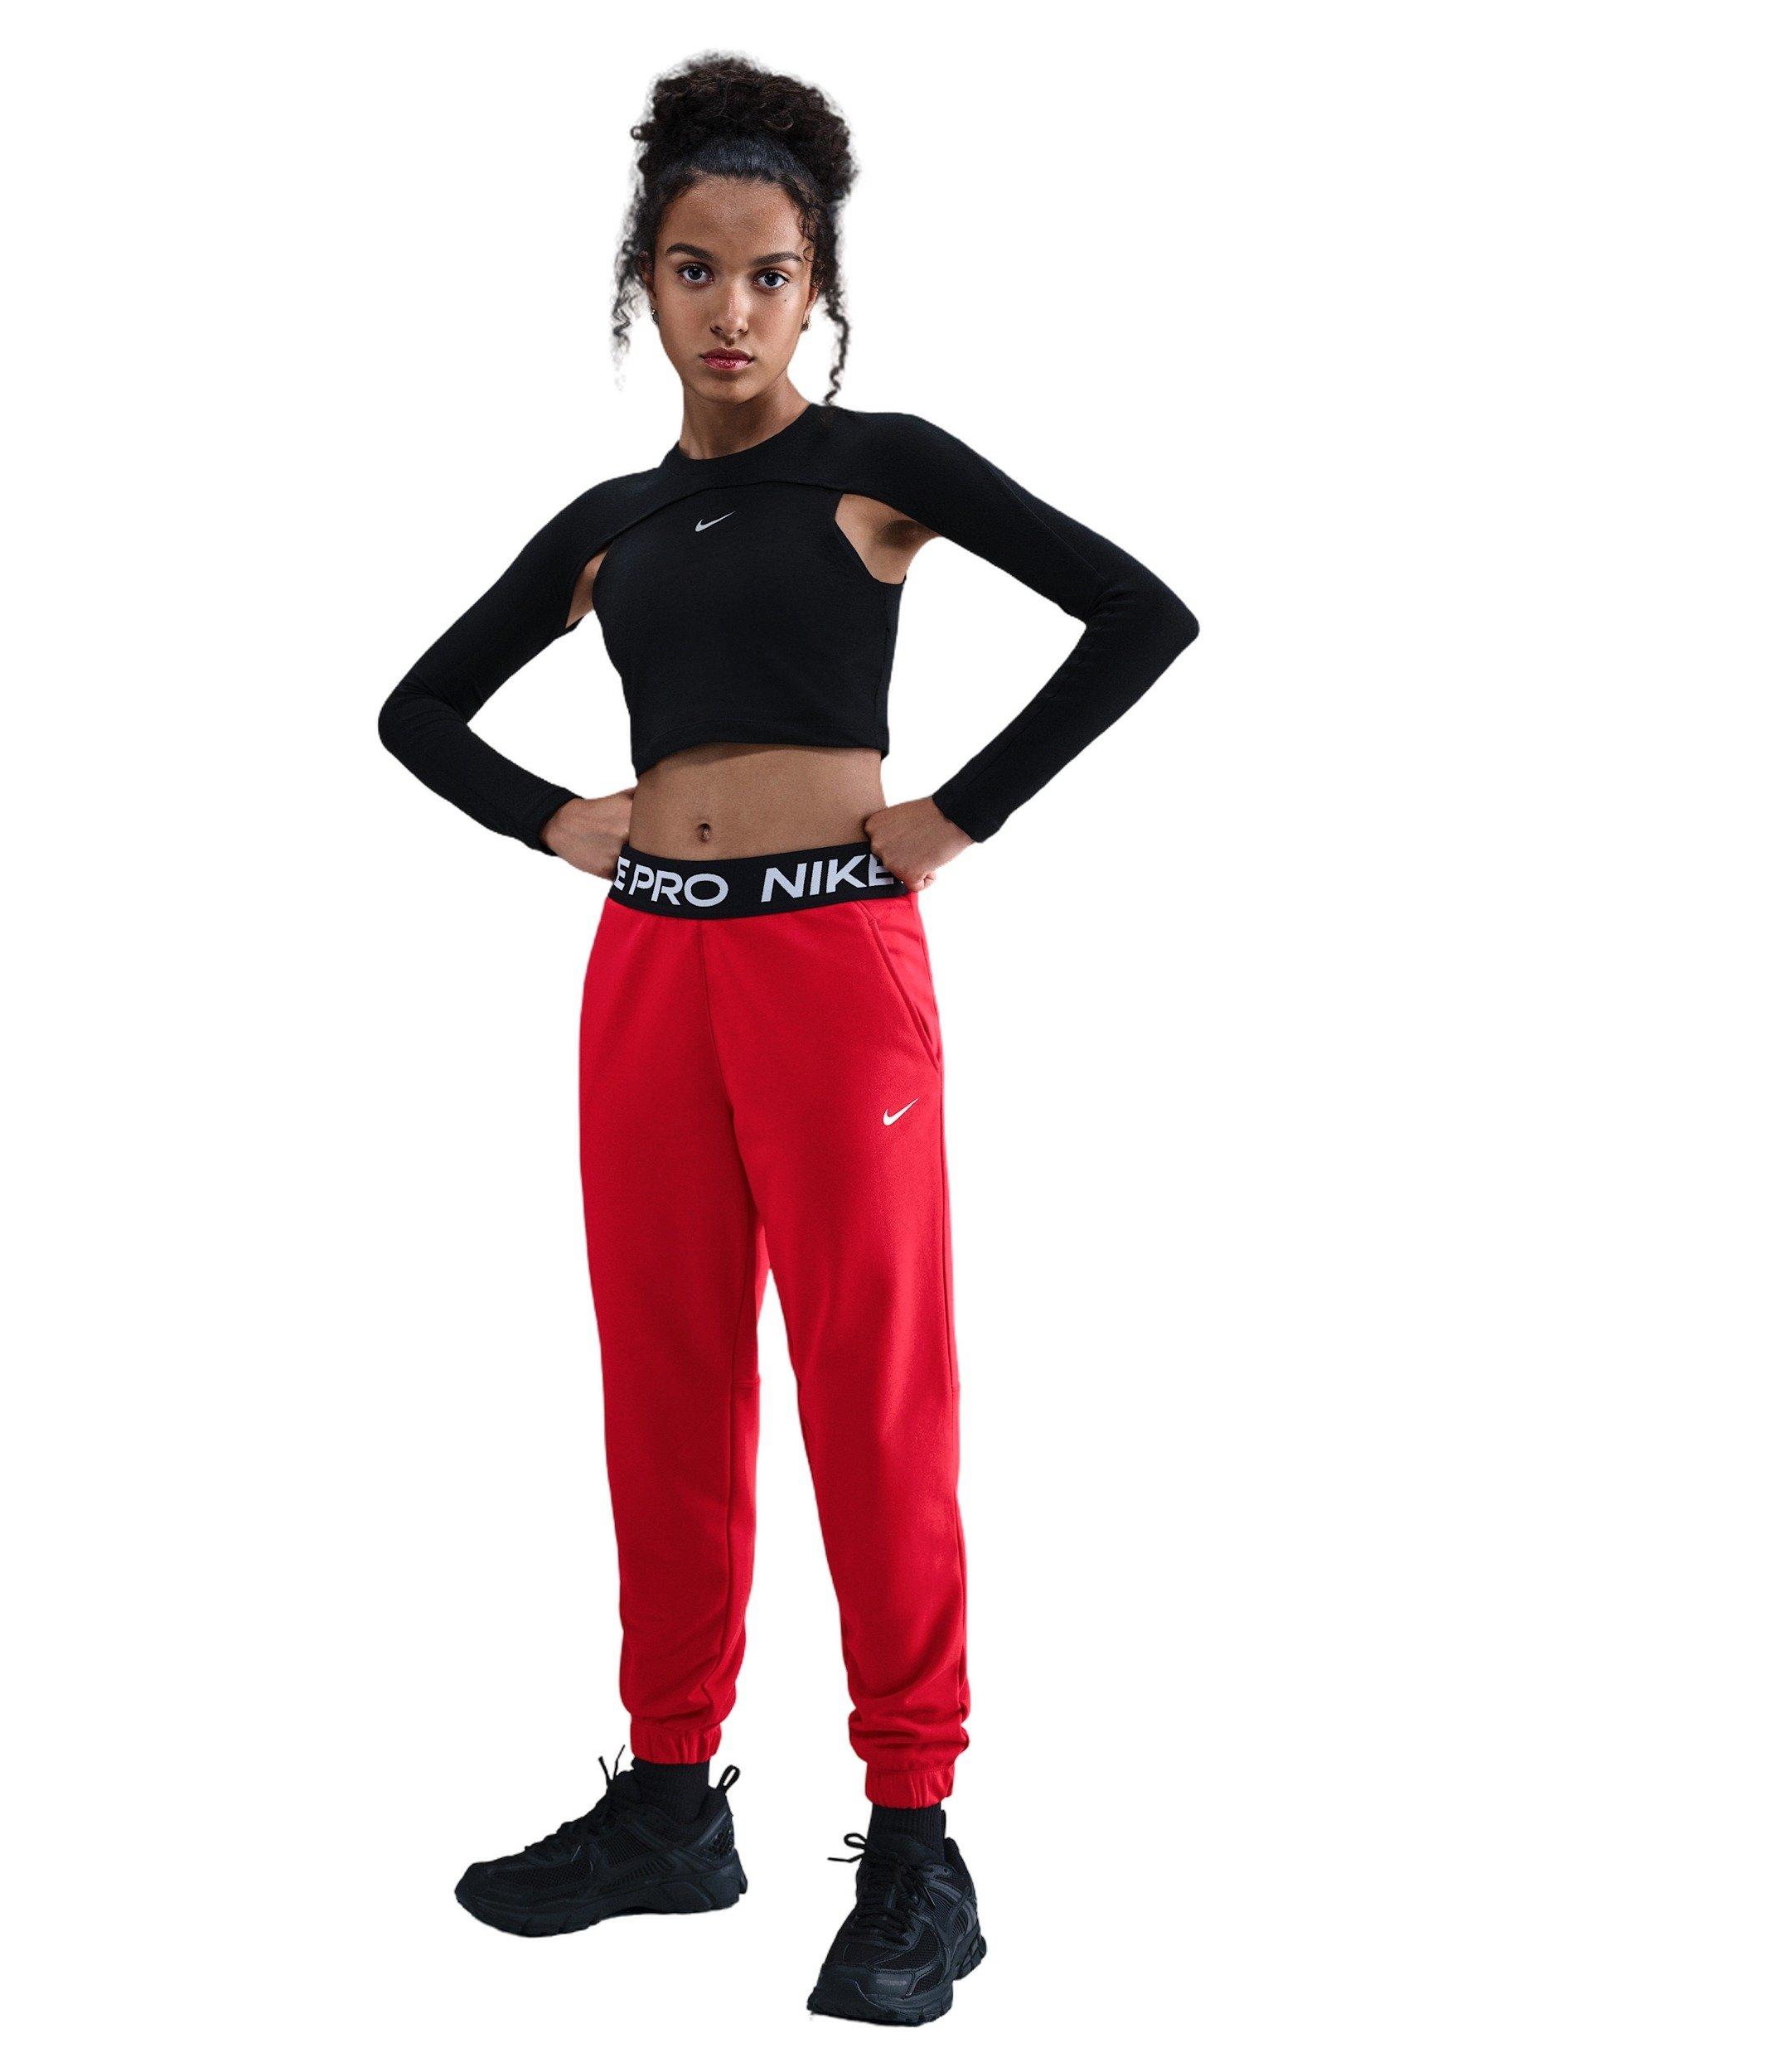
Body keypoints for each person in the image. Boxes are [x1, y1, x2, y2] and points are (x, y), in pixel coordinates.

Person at [377, 53, 1198, 2026]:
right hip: (649, 967)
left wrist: (952, 816)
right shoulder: (607, 522)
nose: (729, 310)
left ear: (815, 287)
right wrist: (556, 819)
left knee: (868, 1381)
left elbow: (1136, 614)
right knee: (662, 1377)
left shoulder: (880, 466)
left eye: (767, 274)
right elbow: (414, 712)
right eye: (692, 270)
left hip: (834, 961)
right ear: (640, 284)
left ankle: (915, 1835)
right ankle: (670, 1800)